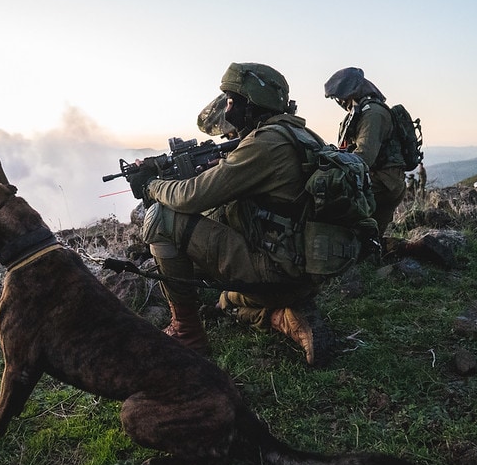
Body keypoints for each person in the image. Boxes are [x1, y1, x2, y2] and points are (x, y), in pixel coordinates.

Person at [127, 62, 334, 366]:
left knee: (161, 217)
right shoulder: (301, 135)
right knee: (224, 302)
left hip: (274, 272)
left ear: (249, 103)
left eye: (230, 101)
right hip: (306, 271)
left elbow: (191, 197)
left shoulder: (264, 144)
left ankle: (187, 332)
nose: (227, 108)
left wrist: (151, 186)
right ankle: (285, 315)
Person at [324, 67, 406, 237]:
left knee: (327, 198)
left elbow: (363, 158)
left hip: (383, 181)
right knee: (370, 240)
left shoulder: (373, 114)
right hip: (382, 179)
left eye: (339, 97)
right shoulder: (361, 111)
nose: (339, 102)